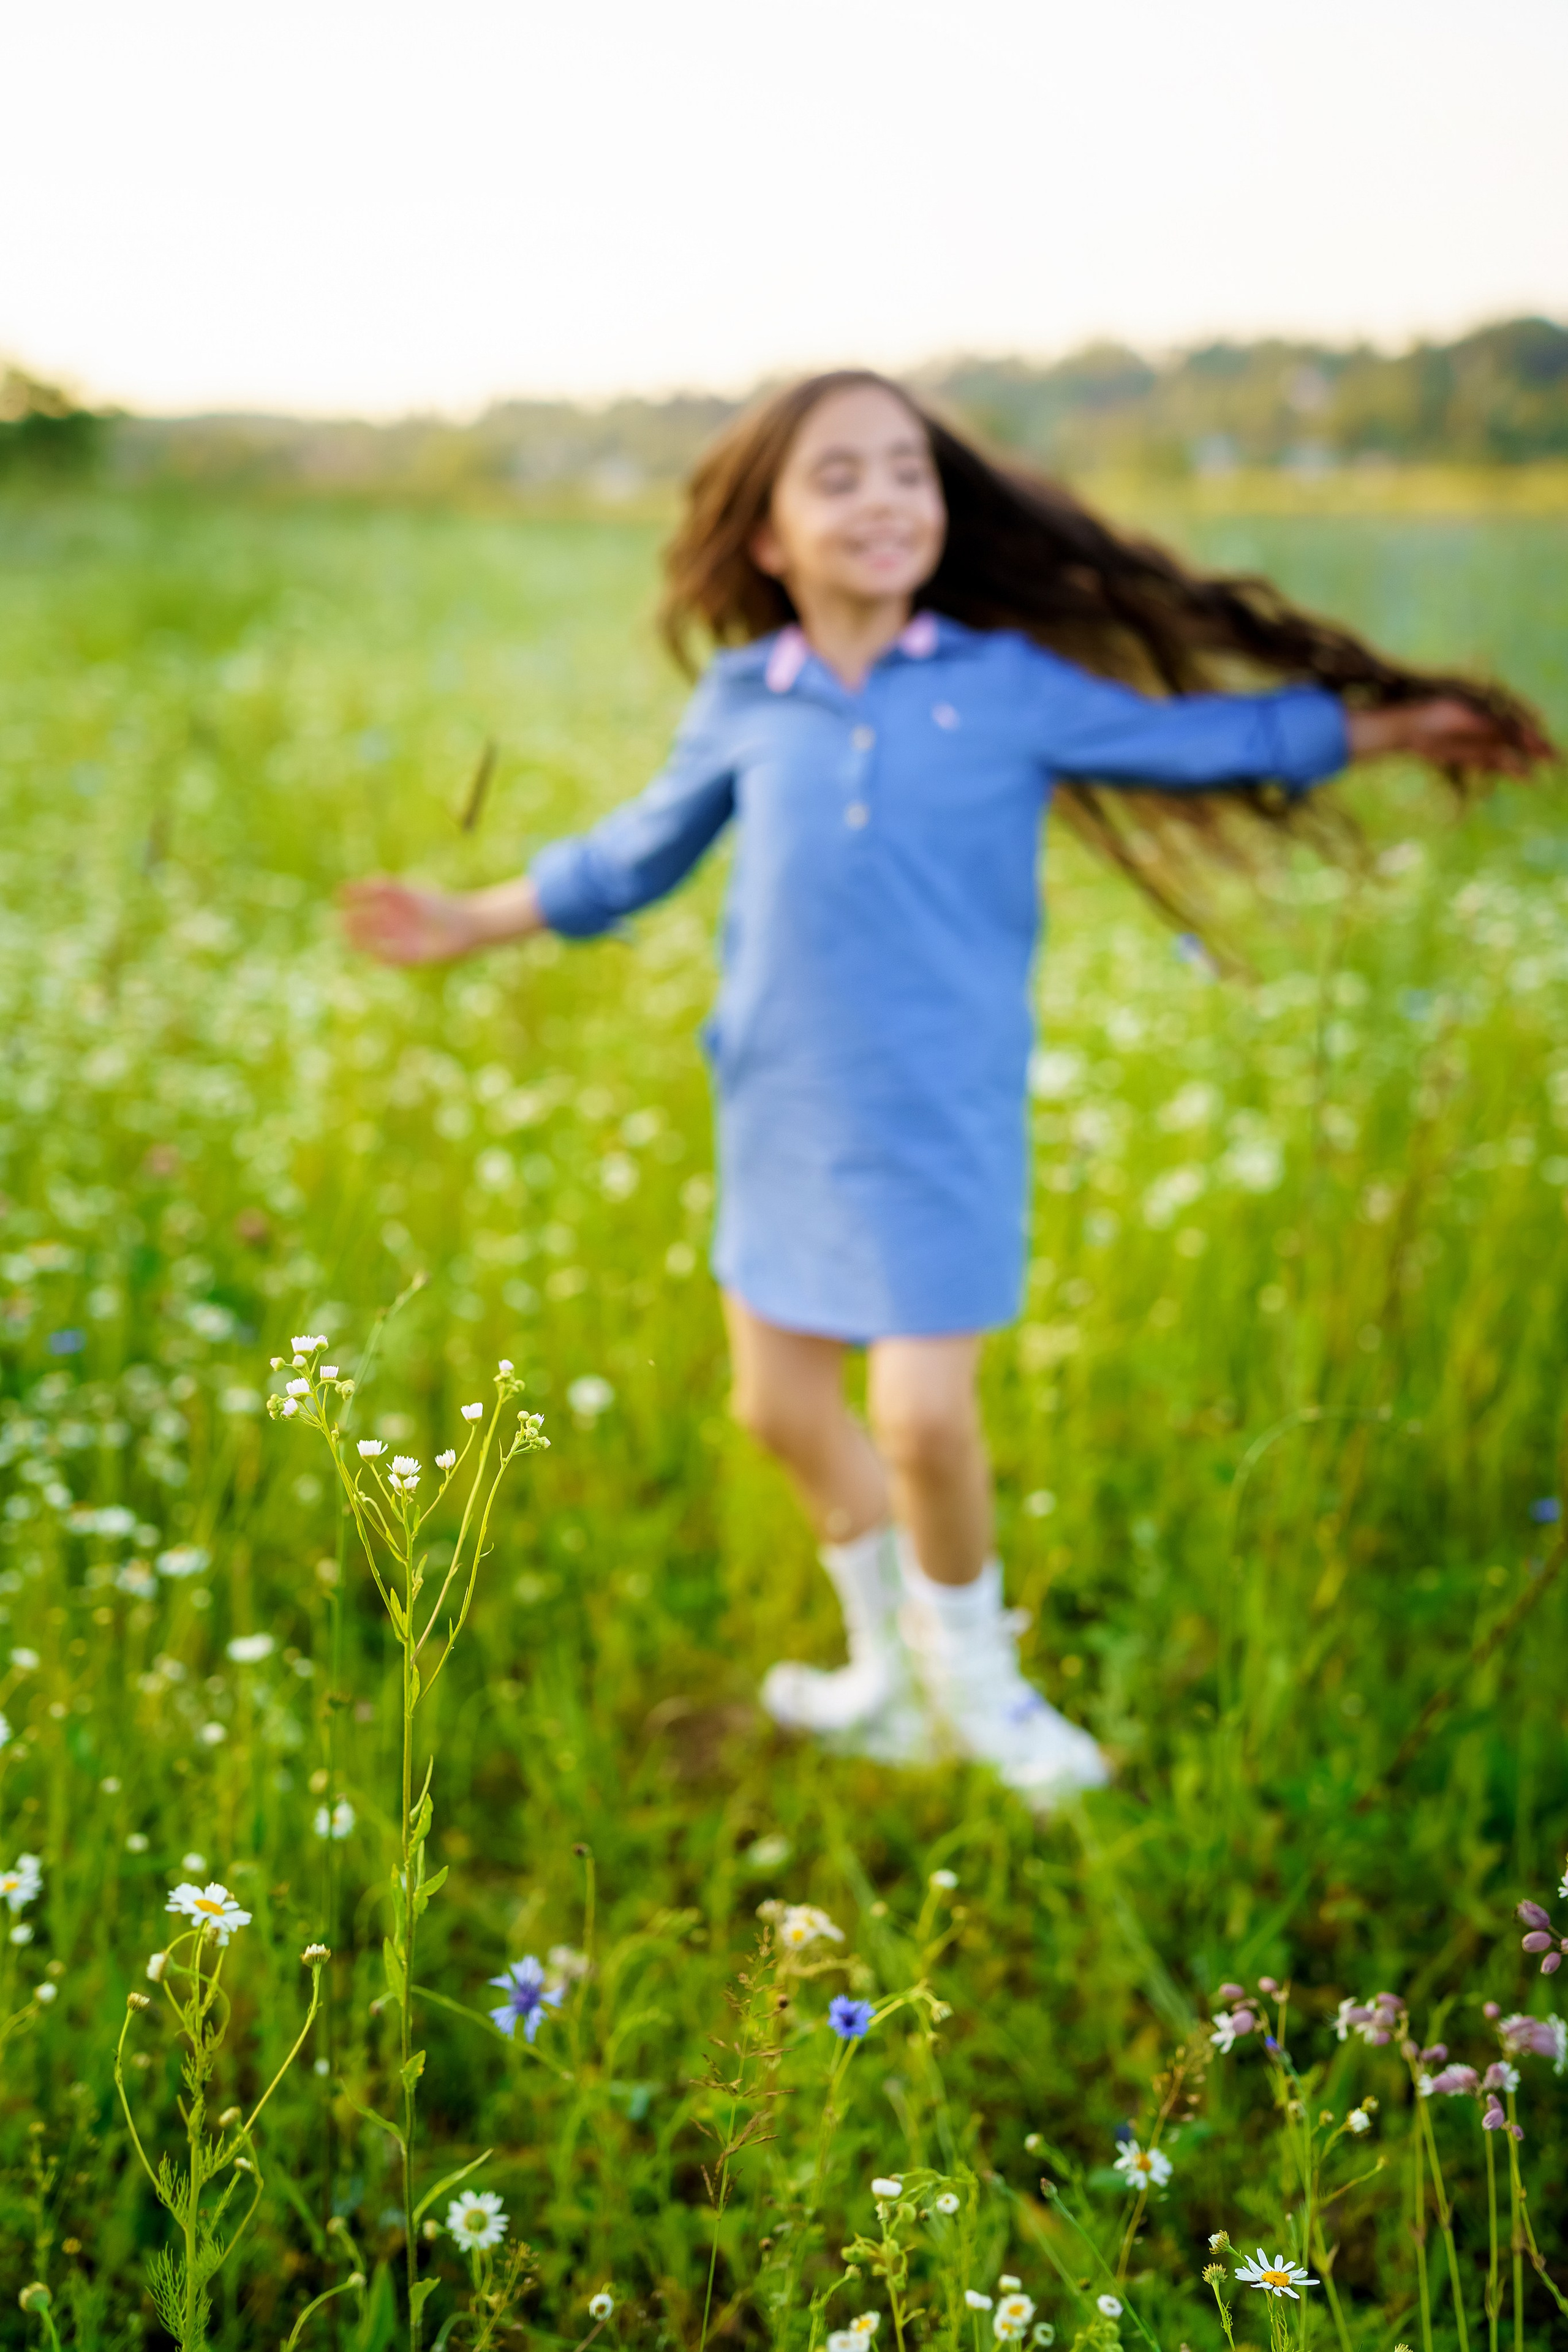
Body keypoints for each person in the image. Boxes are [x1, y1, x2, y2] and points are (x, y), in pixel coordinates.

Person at [341, 371, 1548, 1807]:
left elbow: (1196, 745)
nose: (884, 497)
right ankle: (890, 1681)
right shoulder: (747, 700)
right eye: (838, 475)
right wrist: (475, 917)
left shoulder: (1002, 687)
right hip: (779, 1104)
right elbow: (632, 856)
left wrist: (1396, 728)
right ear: (771, 538)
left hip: (939, 1116)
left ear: (941, 509)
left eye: (905, 471)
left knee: (918, 1417)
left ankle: (980, 1684)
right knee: (777, 1407)